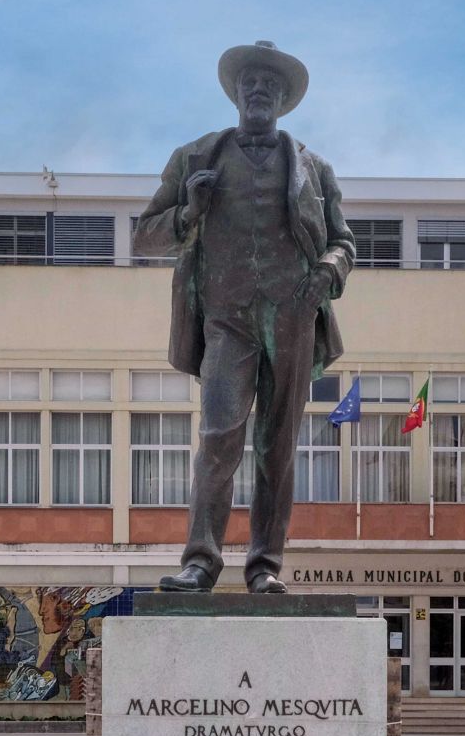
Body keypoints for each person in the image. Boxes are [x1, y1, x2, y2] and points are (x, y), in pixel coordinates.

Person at [132, 41, 354, 593]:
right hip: (226, 317)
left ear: (283, 100)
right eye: (250, 84)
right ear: (235, 93)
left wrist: (328, 269)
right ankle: (201, 561)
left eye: (270, 87)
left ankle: (265, 566)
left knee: (277, 446)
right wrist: (189, 210)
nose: (259, 92)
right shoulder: (195, 158)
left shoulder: (314, 167)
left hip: (293, 315)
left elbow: (344, 241)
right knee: (219, 437)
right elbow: (145, 236)